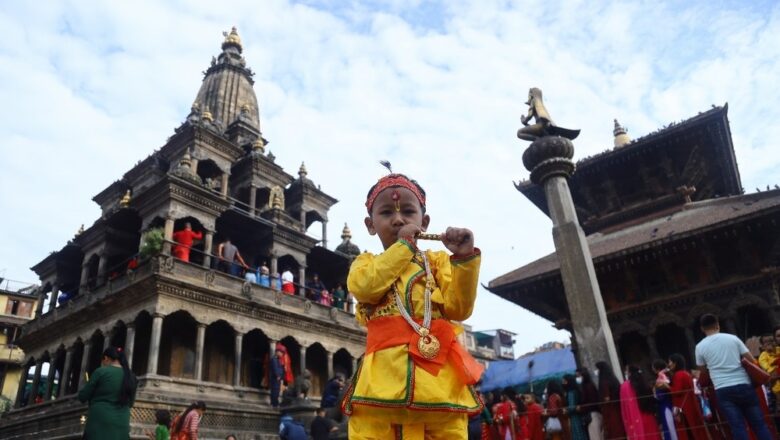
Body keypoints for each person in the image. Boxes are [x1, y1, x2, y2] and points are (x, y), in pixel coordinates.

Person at [341, 169, 484, 439]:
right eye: (386, 213)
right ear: (370, 225)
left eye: (408, 211)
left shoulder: (439, 262)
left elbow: (460, 309)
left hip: (440, 383)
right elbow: (366, 288)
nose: (398, 219)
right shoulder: (365, 264)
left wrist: (465, 259)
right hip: (380, 385)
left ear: (424, 221)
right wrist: (404, 247)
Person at [695, 313, 773, 440]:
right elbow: (752, 360)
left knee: (737, 427)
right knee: (759, 425)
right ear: (717, 325)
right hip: (744, 385)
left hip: (723, 389)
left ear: (702, 329)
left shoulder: (699, 347)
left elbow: (703, 371)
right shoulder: (733, 338)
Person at [78, 346, 137, 440]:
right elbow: (130, 403)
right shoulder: (131, 376)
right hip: (122, 423)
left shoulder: (101, 371)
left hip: (99, 422)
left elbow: (83, 396)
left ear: (106, 358)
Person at [668, 354, 709, 440]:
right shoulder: (685, 373)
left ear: (675, 363)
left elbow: (677, 391)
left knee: (688, 431)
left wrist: (666, 386)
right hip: (690, 405)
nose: (669, 364)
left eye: (670, 362)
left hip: (684, 409)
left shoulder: (678, 375)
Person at [620, 365, 660, 440]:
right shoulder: (645, 383)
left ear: (629, 373)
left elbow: (624, 407)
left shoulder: (625, 386)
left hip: (635, 420)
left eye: (626, 371)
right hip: (649, 418)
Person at [595, 361, 626, 440]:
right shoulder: (612, 378)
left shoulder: (604, 381)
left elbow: (606, 398)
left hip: (610, 410)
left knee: (613, 429)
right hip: (617, 407)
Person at [652, 359, 677, 440]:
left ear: (657, 368)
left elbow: (661, 394)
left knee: (670, 428)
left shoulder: (662, 376)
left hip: (665, 406)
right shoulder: (667, 374)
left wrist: (655, 392)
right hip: (668, 404)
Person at [576, 367, 603, 440]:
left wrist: (581, 408)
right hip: (592, 414)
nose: (578, 378)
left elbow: (592, 402)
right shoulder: (586, 386)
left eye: (579, 376)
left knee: (595, 436)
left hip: (593, 414)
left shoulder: (589, 386)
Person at [562, 374, 588, 440]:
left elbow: (572, 407)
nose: (563, 383)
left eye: (564, 381)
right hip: (579, 416)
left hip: (574, 417)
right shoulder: (576, 390)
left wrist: (566, 410)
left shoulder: (571, 392)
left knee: (578, 434)